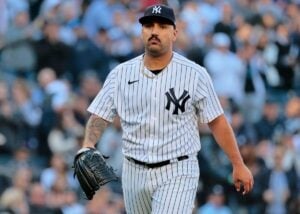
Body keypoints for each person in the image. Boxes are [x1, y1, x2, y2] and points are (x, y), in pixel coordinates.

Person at [77, 4, 253, 214]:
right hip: (134, 170)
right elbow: (100, 116)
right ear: (142, 31)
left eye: (162, 26)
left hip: (177, 169)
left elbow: (217, 121)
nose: (154, 31)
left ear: (175, 33)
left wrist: (238, 163)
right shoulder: (120, 74)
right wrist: (88, 145)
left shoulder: (194, 74)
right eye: (149, 25)